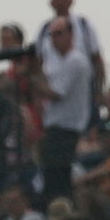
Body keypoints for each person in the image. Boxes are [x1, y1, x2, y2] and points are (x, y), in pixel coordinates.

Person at [39, 16, 93, 205]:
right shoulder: (56, 63)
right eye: (52, 35)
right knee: (50, 177)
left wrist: (33, 80)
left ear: (71, 34)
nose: (54, 39)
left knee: (58, 180)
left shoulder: (75, 60)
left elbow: (56, 93)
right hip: (55, 127)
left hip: (66, 128)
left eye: (59, 34)